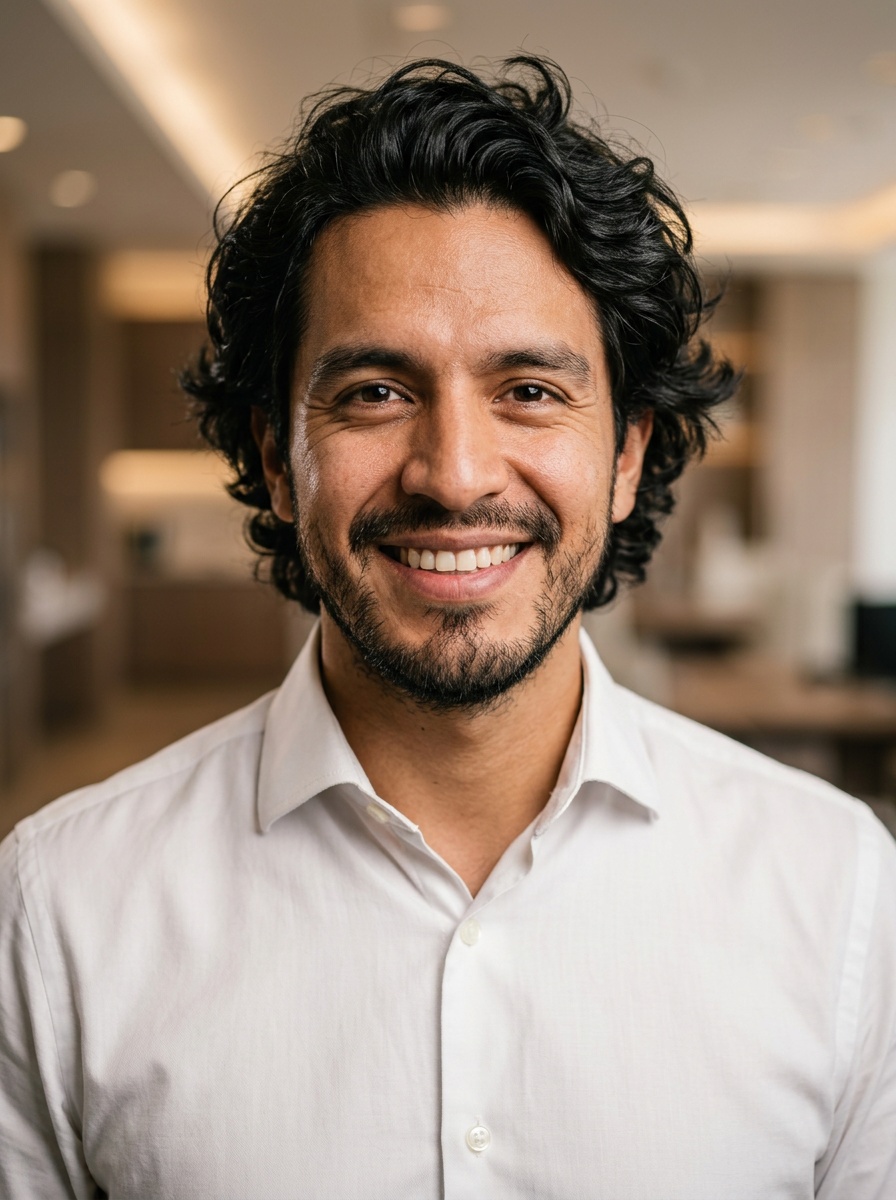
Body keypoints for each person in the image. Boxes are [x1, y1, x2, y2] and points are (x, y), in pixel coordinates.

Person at [1, 56, 894, 1200]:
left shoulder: (834, 894)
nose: (454, 474)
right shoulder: (64, 906)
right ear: (277, 458)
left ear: (624, 455)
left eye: (528, 389)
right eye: (374, 391)